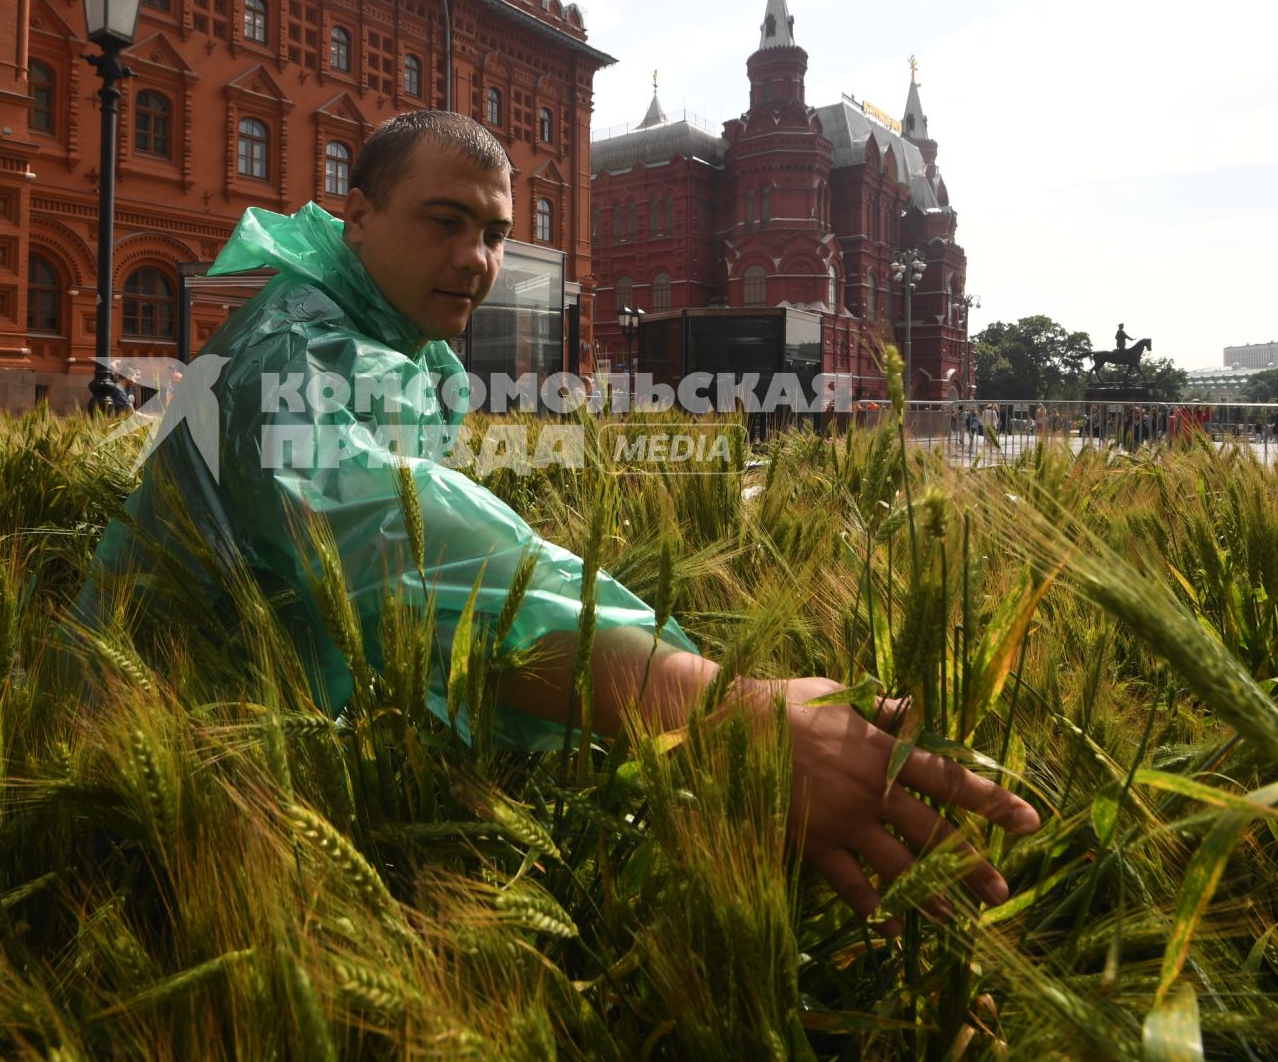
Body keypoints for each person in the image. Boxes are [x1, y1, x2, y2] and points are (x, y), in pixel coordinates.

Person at [76, 111, 1037, 924]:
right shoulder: (297, 349)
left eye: (494, 233)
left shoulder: (356, 327)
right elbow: (398, 547)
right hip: (167, 780)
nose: (476, 259)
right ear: (357, 216)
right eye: (444, 222)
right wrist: (721, 710)